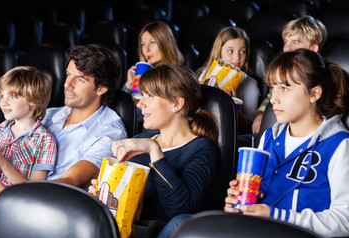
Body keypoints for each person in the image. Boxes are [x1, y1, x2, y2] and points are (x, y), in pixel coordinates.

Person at [225, 49, 349, 238]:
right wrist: (237, 203)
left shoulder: (339, 145)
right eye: (273, 88)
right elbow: (255, 198)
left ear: (314, 93)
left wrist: (275, 215)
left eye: (285, 88)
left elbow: (344, 220)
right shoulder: (269, 137)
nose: (273, 99)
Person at [0, 44, 127, 205]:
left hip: (51, 206)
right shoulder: (48, 114)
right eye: (68, 75)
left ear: (101, 89)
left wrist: (12, 195)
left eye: (80, 79)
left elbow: (73, 180)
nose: (67, 84)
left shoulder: (109, 134)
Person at [90, 64, 219, 222]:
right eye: (142, 95)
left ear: (177, 104)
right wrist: (100, 196)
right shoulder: (138, 141)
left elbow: (181, 212)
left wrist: (154, 149)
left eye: (150, 96)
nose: (140, 104)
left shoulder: (202, 149)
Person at [251, 15, 327, 135]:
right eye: (286, 42)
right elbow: (270, 97)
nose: (287, 48)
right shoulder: (283, 71)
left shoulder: (324, 76)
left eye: (295, 42)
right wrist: (261, 113)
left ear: (313, 48)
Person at [0, 66, 56, 185]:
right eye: (2, 96)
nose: (3, 102)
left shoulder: (44, 141)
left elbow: (33, 189)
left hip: (12, 200)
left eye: (12, 97)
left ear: (34, 102)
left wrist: (3, 163)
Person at [197, 26, 260, 132]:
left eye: (242, 51)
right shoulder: (205, 74)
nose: (237, 57)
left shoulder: (250, 84)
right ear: (219, 51)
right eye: (230, 51)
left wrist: (234, 105)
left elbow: (249, 124)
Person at [122, 20, 184, 94]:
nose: (147, 49)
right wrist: (129, 86)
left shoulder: (179, 77)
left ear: (165, 44)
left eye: (152, 42)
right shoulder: (143, 75)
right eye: (143, 44)